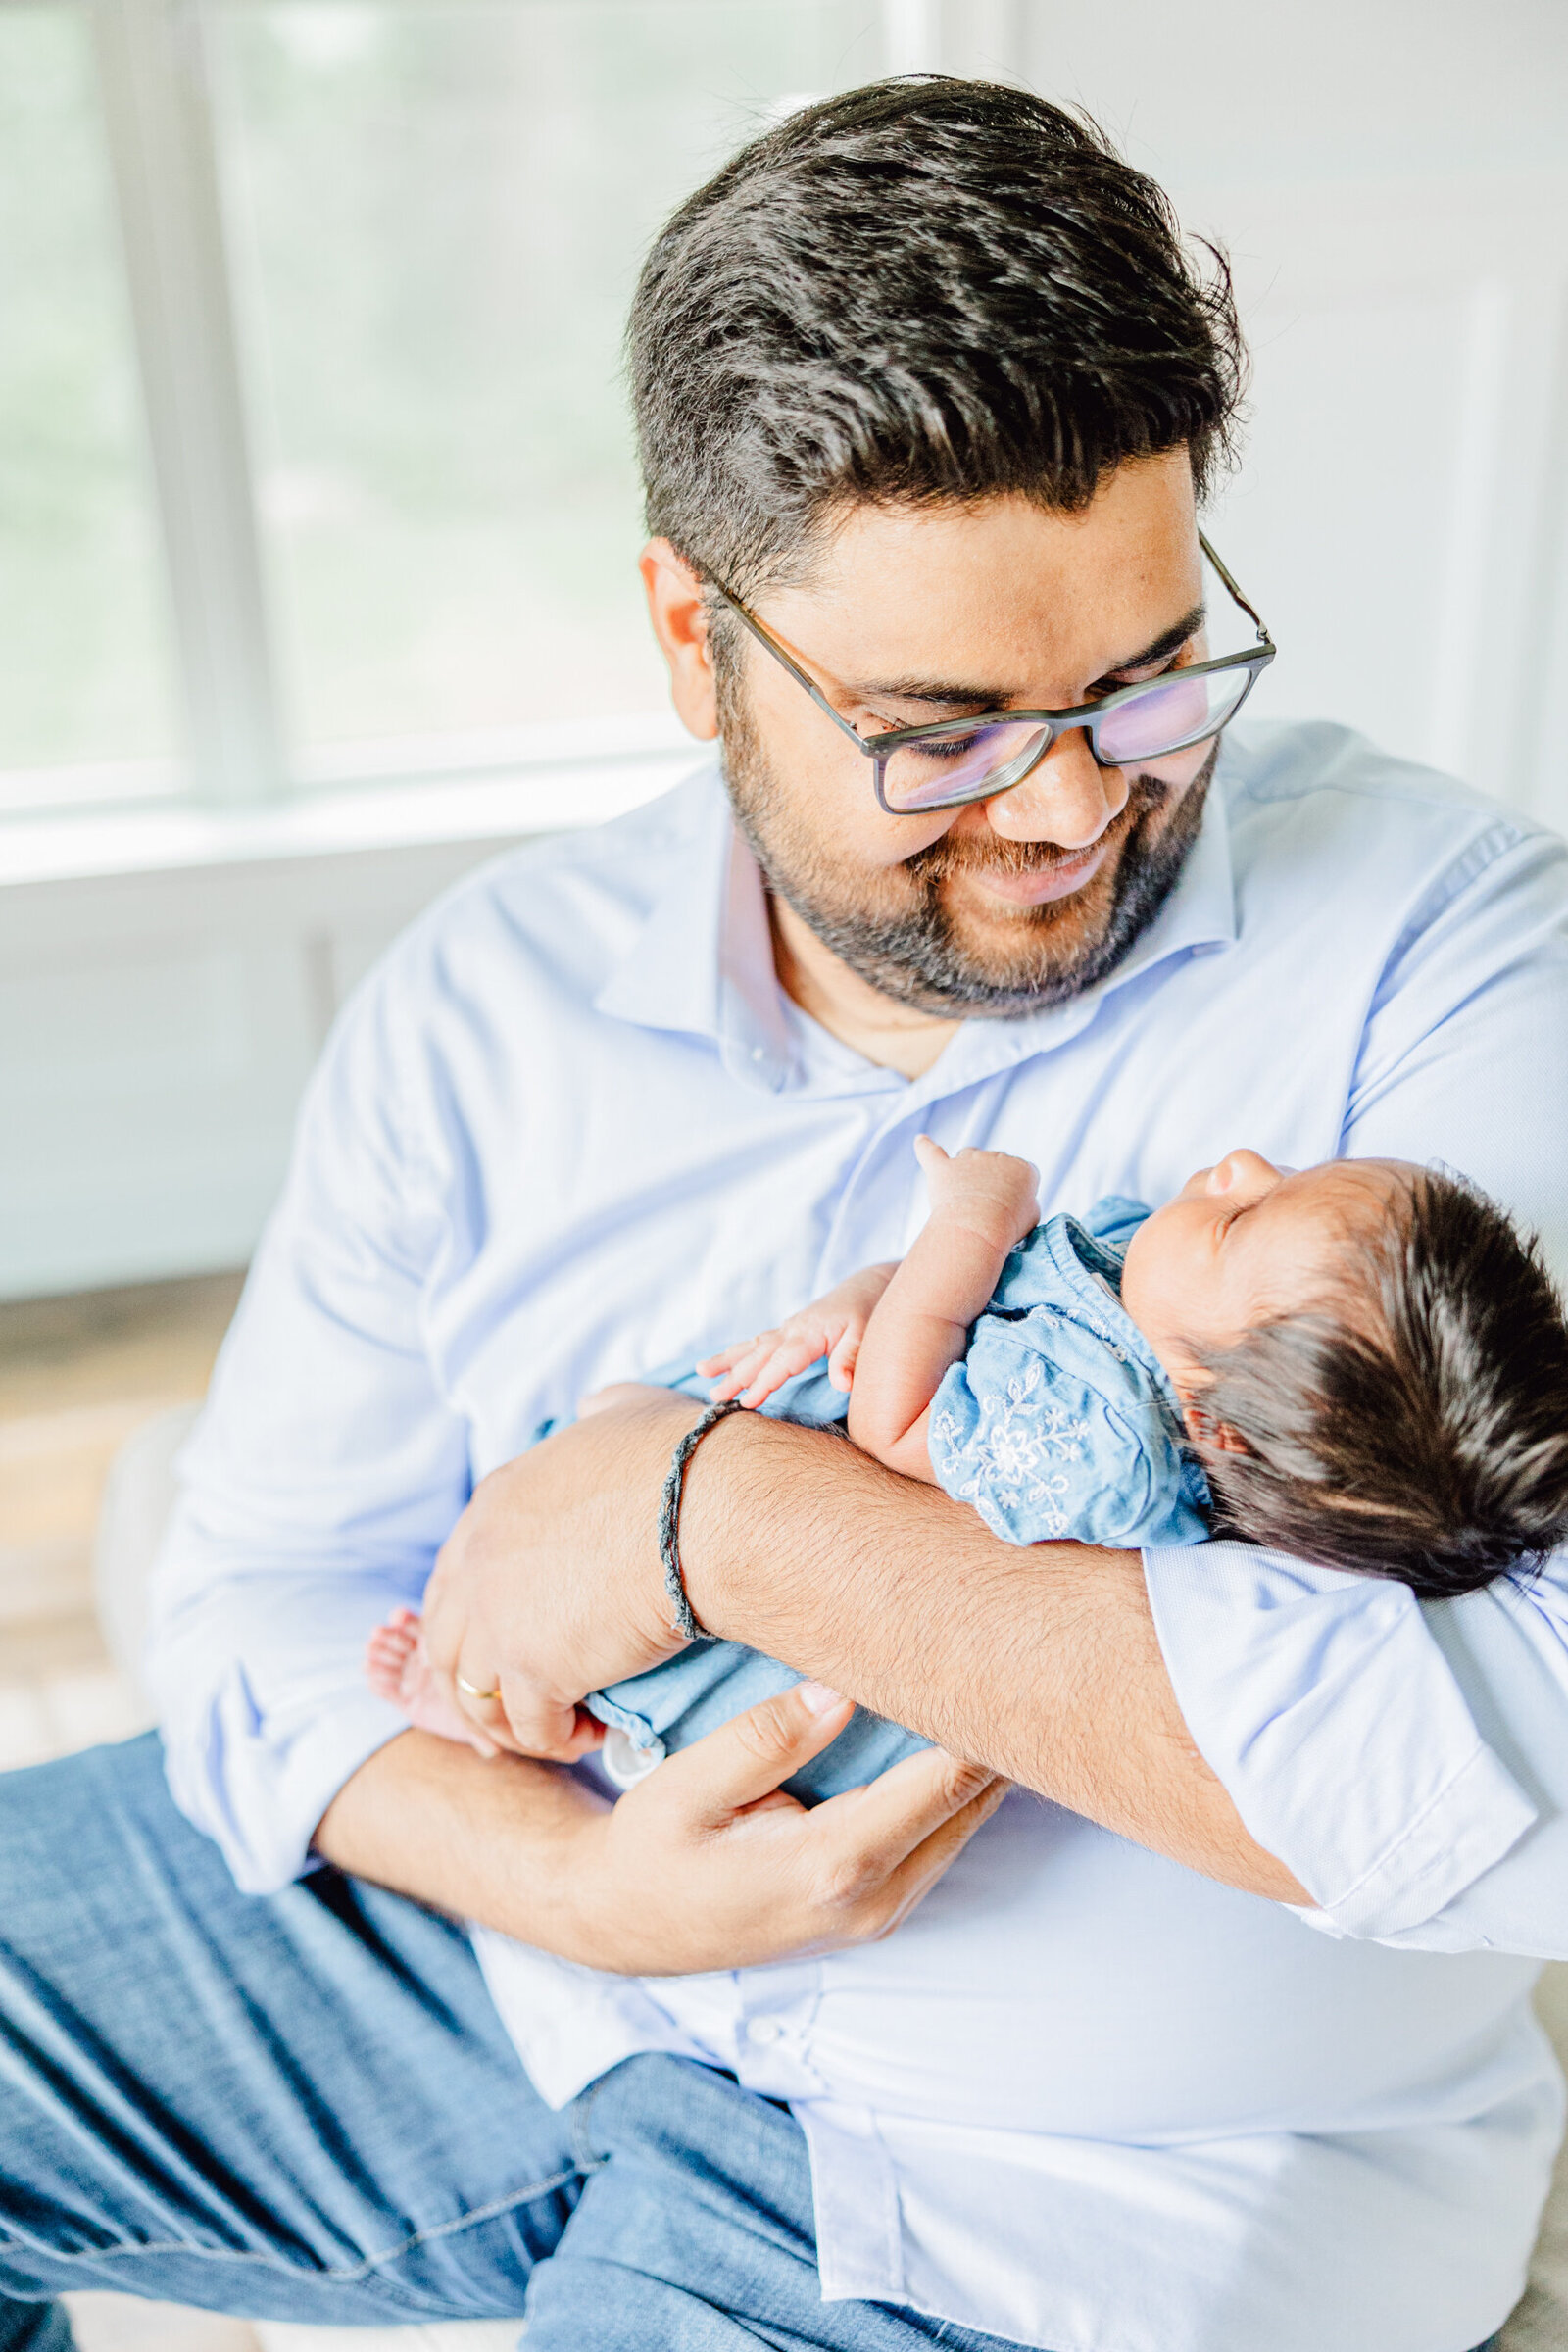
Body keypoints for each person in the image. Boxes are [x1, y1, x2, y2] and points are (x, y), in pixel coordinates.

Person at [3, 74, 1565, 2352]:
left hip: (1084, 2190)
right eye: (936, 727)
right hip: (515, 1964)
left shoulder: (1457, 961)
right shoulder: (482, 1007)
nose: (1057, 809)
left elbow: (1521, 1748)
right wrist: (573, 1880)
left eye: (1142, 687)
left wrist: (712, 1514)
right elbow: (260, 1596)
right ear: (686, 631)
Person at [367, 1141, 1568, 1799]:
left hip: (752, 1627)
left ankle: (479, 1711)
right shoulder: (1139, 1303)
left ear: (1223, 1433)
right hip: (758, 1441)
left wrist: (974, 1216)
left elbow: (900, 1423)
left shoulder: (1107, 1445)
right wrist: (853, 1299)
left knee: (610, 1500)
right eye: (1294, 1173)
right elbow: (919, 1324)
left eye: (1244, 1221)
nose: (1241, 1164)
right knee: (611, 1425)